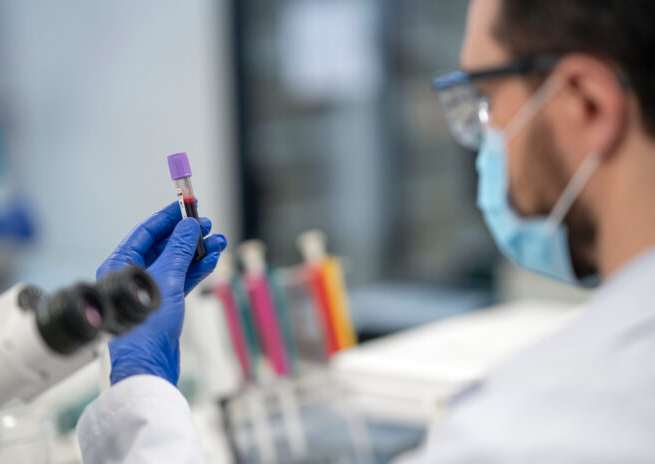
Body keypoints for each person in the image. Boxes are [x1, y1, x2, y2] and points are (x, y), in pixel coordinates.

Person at [78, 0, 655, 461]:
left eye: (486, 96)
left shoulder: (530, 433)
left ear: (586, 105)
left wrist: (139, 391)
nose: (480, 133)